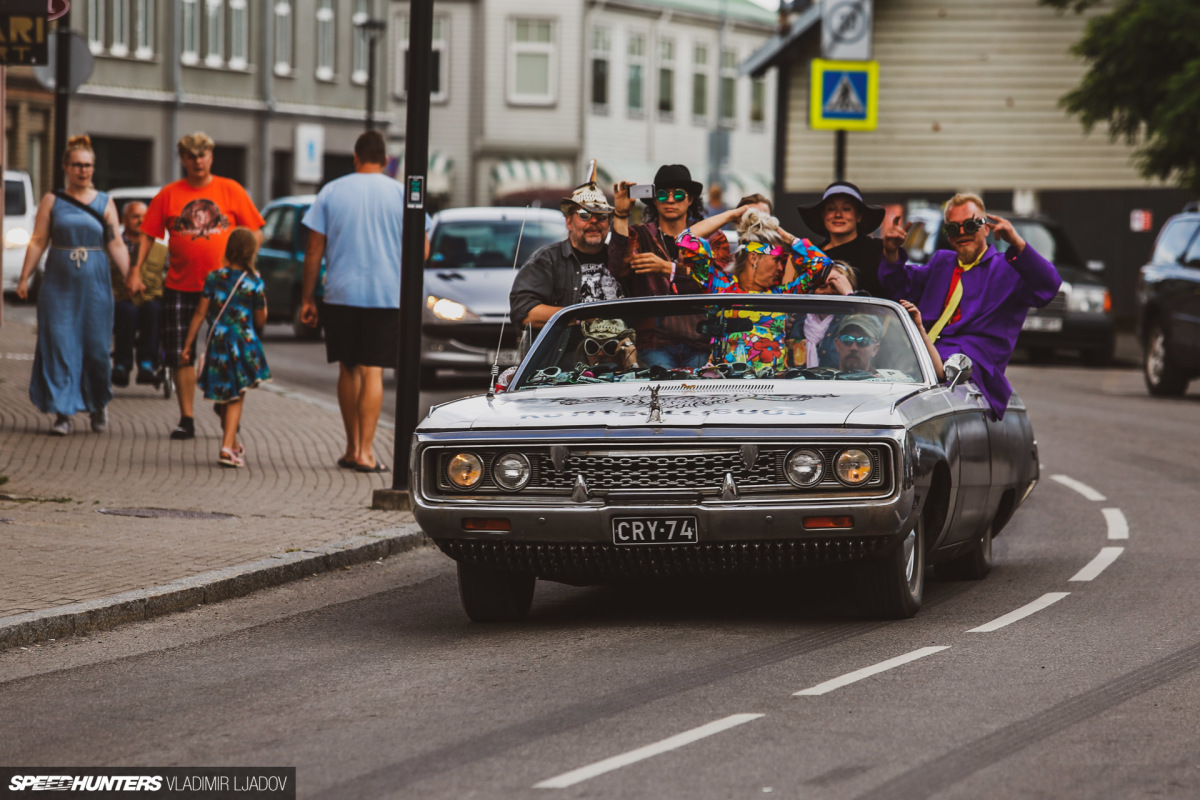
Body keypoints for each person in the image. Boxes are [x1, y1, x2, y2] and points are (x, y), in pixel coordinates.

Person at [128, 132, 264, 440]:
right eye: (191, 155)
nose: (197, 160)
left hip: (225, 289)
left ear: (211, 157)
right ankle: (186, 417)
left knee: (227, 351)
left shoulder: (230, 190)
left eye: (202, 154)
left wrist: (245, 268)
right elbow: (148, 234)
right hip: (180, 284)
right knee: (180, 353)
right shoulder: (169, 194)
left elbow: (255, 231)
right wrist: (136, 271)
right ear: (183, 159)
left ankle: (223, 402)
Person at [879, 192, 1061, 417]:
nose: (962, 233)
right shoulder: (941, 262)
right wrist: (890, 251)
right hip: (917, 361)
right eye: (954, 229)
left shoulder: (1009, 268)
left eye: (970, 225)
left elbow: (1048, 287)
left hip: (969, 373)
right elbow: (899, 287)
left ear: (986, 228)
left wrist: (1017, 243)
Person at [299, 130, 407, 473]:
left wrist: (307, 298)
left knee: (348, 367)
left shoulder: (331, 191)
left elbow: (314, 250)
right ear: (385, 158)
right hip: (386, 293)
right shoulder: (400, 193)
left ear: (356, 157)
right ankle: (366, 451)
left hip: (341, 292)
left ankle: (349, 447)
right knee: (372, 369)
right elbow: (422, 248)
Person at [16, 135, 128, 435]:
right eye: (77, 165)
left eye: (88, 165)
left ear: (94, 168)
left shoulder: (105, 202)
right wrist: (25, 276)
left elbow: (115, 243)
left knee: (96, 348)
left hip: (96, 284)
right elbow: (39, 239)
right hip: (58, 284)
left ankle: (98, 403)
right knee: (59, 346)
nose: (83, 170)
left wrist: (132, 275)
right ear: (66, 166)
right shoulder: (53, 200)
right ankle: (63, 412)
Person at [674, 206, 834, 372]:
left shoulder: (781, 295)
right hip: (726, 385)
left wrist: (786, 237)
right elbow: (684, 238)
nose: (781, 268)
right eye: (777, 260)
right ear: (754, 257)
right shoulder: (719, 286)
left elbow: (823, 265)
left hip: (773, 387)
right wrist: (731, 215)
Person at [609, 164, 727, 369]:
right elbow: (617, 269)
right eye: (663, 195)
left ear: (690, 199)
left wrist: (667, 268)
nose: (670, 200)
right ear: (654, 200)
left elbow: (720, 282)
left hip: (701, 341)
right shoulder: (640, 236)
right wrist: (620, 215)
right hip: (654, 343)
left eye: (679, 195)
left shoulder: (711, 238)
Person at [180, 228, 270, 468]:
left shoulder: (214, 278)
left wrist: (188, 345)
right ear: (251, 253)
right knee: (236, 394)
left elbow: (200, 313)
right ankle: (226, 448)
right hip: (242, 343)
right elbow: (261, 321)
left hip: (217, 341)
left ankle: (232, 441)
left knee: (226, 395)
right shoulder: (254, 282)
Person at [509, 162, 620, 331]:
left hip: (619, 353)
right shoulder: (546, 260)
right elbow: (525, 313)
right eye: (585, 215)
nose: (594, 221)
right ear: (569, 221)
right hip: (565, 354)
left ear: (609, 223)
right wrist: (582, 316)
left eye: (602, 216)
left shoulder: (620, 259)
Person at [797, 181, 887, 297]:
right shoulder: (813, 256)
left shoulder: (878, 250)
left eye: (846, 209)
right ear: (823, 215)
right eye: (831, 209)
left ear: (858, 216)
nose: (838, 214)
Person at [110, 201, 162, 387]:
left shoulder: (161, 249)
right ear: (124, 220)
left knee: (154, 310)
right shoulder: (114, 247)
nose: (141, 220)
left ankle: (147, 364)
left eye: (144, 216)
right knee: (127, 312)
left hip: (150, 300)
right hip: (122, 299)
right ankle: (122, 364)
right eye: (135, 216)